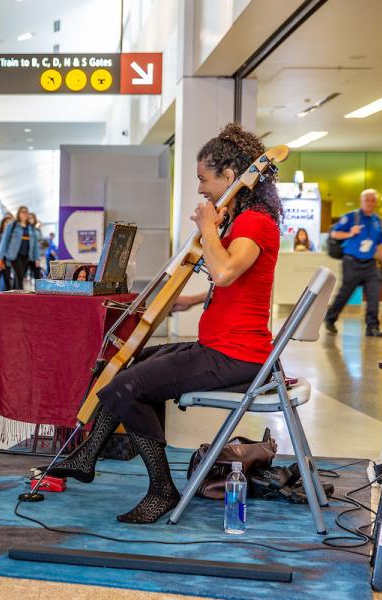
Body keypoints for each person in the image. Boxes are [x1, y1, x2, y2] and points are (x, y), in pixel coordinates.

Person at [40, 123, 282, 524]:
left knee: (127, 386)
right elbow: (233, 288)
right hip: (220, 346)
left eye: (205, 180)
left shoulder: (254, 223)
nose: (202, 189)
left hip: (236, 356)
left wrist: (207, 227)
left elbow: (223, 273)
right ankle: (87, 456)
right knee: (126, 368)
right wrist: (182, 300)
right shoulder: (242, 222)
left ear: (229, 176)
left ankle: (159, 489)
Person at [323, 189, 382, 337]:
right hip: (351, 262)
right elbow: (334, 233)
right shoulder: (352, 217)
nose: (370, 203)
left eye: (372, 200)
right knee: (345, 293)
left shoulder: (377, 221)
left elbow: (377, 245)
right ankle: (330, 319)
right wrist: (350, 233)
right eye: (367, 200)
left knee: (373, 294)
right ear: (361, 201)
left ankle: (372, 327)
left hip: (370, 264)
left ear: (375, 202)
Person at [0, 206, 40, 290]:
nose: (25, 214)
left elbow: (35, 245)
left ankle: (14, 295)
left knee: (20, 276)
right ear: (18, 213)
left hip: (26, 255)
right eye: (22, 212)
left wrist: (37, 258)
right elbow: (5, 241)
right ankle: (21, 297)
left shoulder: (31, 227)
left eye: (26, 212)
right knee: (19, 276)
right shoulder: (12, 225)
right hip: (14, 255)